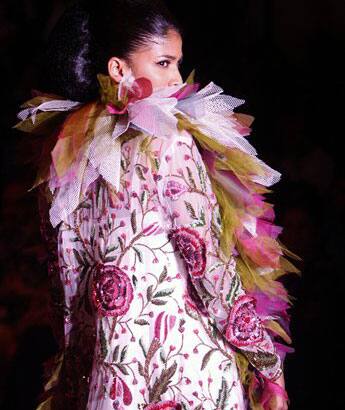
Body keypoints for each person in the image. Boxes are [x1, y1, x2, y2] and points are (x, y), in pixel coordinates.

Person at [13, 1, 301, 409]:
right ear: (118, 69)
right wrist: (267, 364)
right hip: (185, 376)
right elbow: (209, 271)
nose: (178, 80)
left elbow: (64, 293)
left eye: (178, 64)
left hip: (105, 382)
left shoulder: (62, 157)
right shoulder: (168, 143)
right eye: (164, 63)